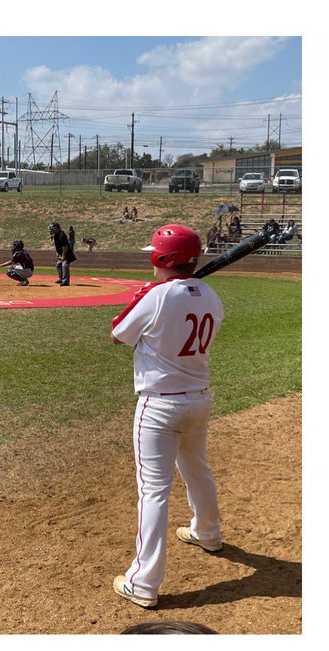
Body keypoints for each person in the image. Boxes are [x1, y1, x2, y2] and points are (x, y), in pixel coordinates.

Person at [111, 225, 224, 609]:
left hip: (159, 405)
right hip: (199, 399)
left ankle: (143, 582)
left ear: (163, 258)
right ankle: (208, 533)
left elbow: (117, 334)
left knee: (153, 490)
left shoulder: (157, 296)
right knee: (198, 470)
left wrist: (145, 296)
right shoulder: (211, 295)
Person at [49, 221, 76, 286]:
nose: (51, 230)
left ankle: (65, 281)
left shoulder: (62, 235)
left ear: (57, 228)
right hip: (61, 253)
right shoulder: (55, 235)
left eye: (53, 228)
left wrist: (63, 256)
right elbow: (57, 245)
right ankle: (61, 279)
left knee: (64, 265)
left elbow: (65, 246)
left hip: (66, 253)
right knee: (58, 265)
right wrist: (57, 253)